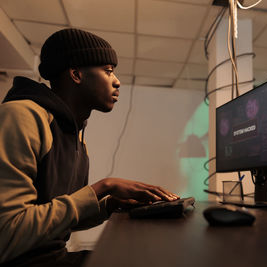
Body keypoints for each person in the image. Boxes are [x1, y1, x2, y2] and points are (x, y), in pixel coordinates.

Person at [0, 28, 179, 266]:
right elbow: (8, 234)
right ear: (76, 74)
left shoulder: (75, 137)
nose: (117, 81)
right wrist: (103, 187)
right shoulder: (22, 116)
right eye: (107, 71)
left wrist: (109, 205)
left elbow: (59, 217)